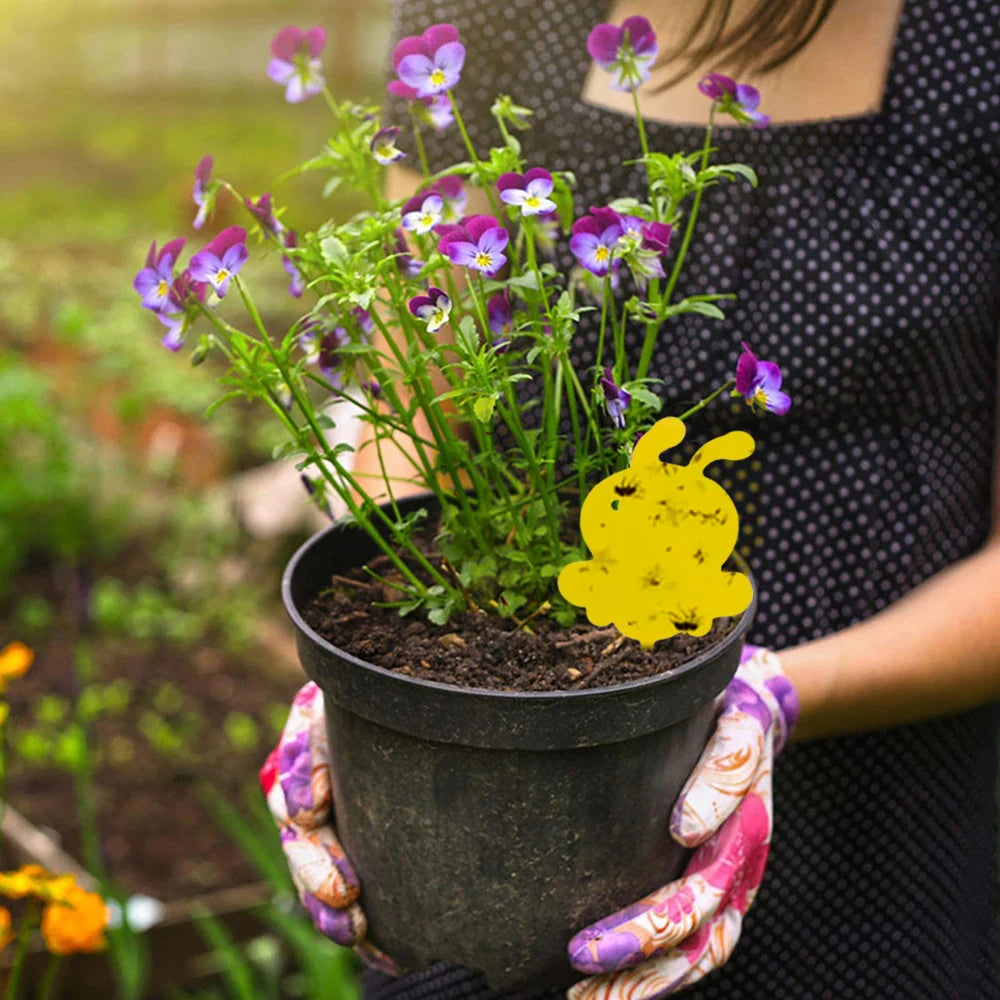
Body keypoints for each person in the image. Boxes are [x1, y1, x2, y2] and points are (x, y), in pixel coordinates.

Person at [262, 0, 1000, 995]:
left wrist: (763, 700)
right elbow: (408, 415)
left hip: (880, 809)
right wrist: (364, 692)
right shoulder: (488, 19)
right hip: (506, 805)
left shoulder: (973, 46)